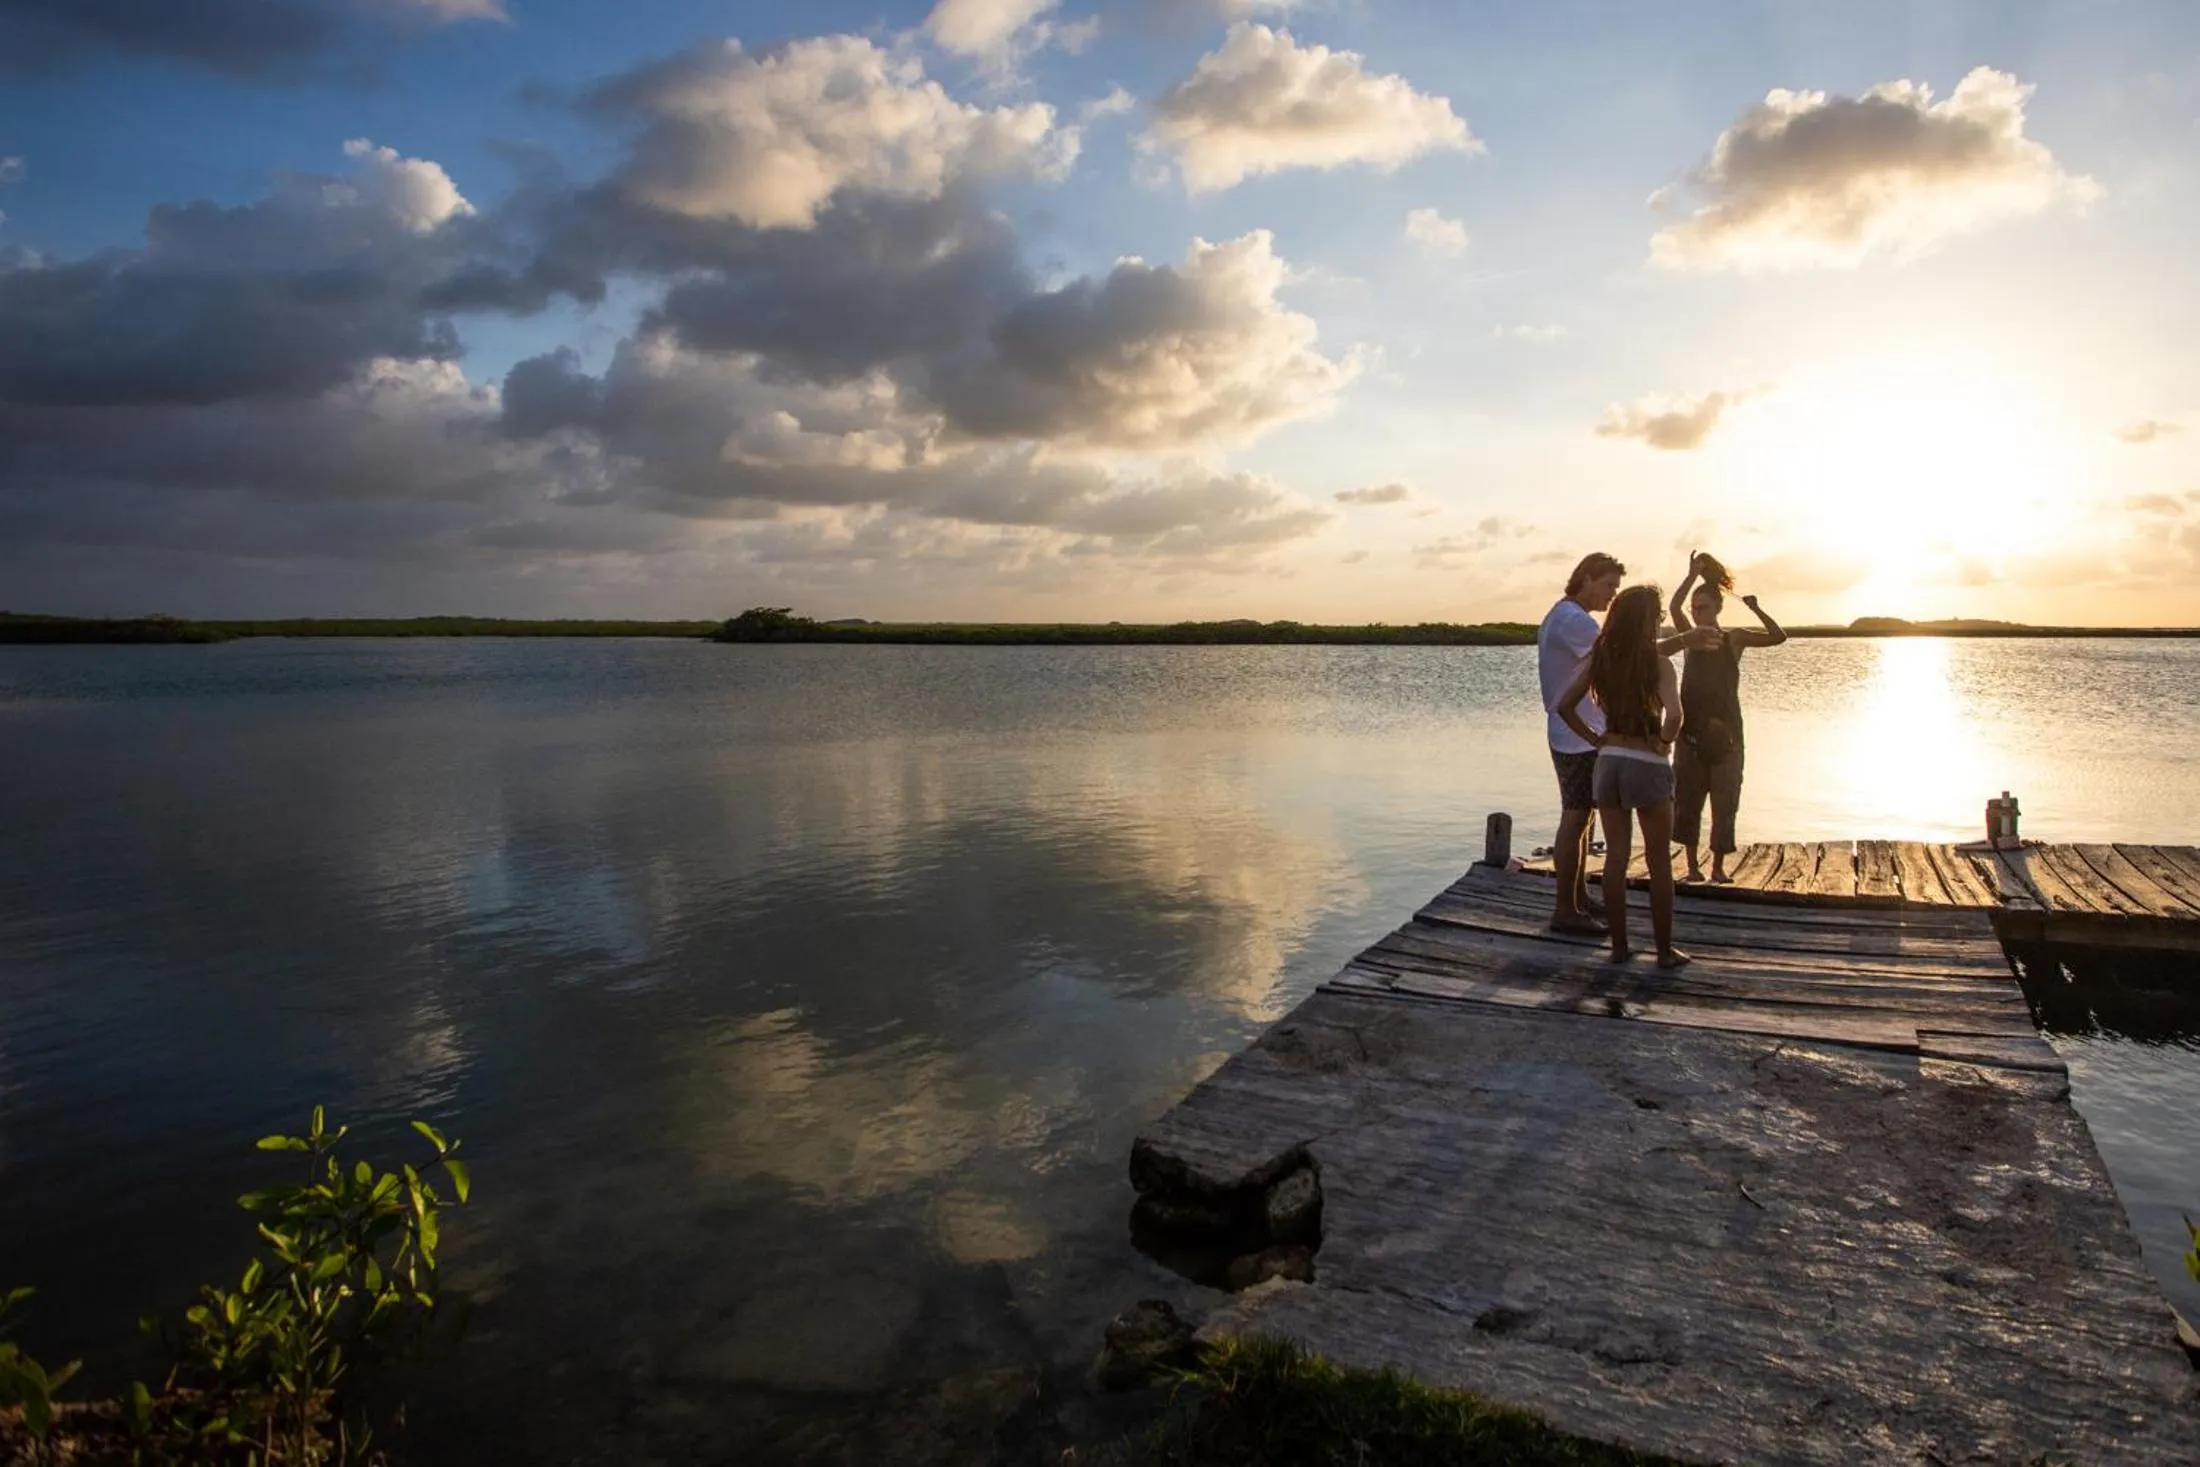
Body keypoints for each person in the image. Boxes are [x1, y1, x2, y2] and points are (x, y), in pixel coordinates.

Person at [1554, 585, 1690, 967]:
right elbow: (1676, 716)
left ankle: (1619, 948)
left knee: (1615, 859)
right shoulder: (1659, 663)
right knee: (1659, 861)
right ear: (1652, 619)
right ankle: (1664, 952)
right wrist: (1664, 742)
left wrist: (1595, 739)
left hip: (1608, 762)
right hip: (1645, 762)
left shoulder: (1603, 660)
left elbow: (1563, 705)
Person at [1667, 551, 1787, 883]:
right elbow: (1675, 607)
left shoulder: (1734, 638)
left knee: (1725, 802)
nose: (1696, 612)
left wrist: (1756, 608)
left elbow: (1778, 637)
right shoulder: (1689, 638)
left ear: (1718, 608)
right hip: (1690, 734)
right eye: (1695, 608)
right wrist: (1691, 575)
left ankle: (1718, 868)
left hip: (1728, 735)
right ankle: (1691, 867)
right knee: (1688, 802)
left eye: (1702, 607)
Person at [1538, 553, 1624, 935]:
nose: (1612, 596)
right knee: (1575, 818)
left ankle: (1579, 896)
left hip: (1574, 731)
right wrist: (1685, 640)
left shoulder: (1563, 615)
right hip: (1575, 735)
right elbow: (1622, 656)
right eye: (1608, 585)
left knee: (1584, 818)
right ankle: (1564, 910)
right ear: (1586, 579)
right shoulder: (1574, 621)